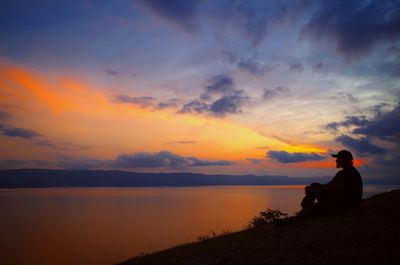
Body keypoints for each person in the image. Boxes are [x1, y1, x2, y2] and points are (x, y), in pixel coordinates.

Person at [297, 149, 363, 219]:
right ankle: (304, 209)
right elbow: (328, 185)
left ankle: (303, 213)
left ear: (344, 160)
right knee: (315, 185)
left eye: (338, 158)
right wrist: (313, 189)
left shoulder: (349, 172)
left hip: (346, 204)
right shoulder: (341, 173)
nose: (336, 160)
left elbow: (334, 188)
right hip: (339, 199)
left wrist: (315, 191)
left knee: (315, 208)